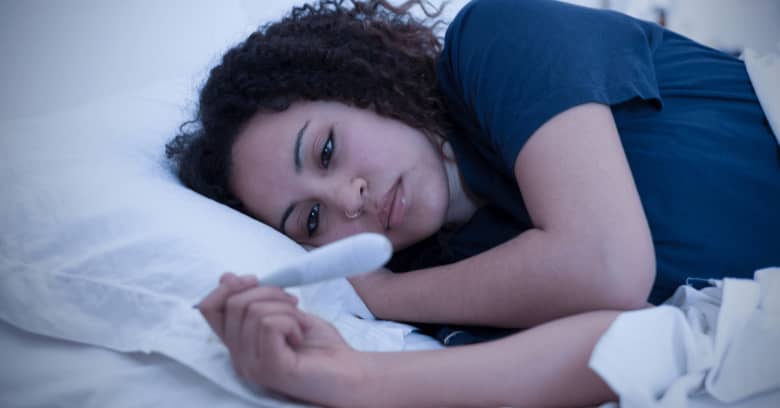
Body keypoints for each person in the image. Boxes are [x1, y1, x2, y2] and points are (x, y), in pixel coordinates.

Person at [166, 0, 780, 404]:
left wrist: (381, 295)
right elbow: (633, 346)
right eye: (312, 219)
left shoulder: (498, 37)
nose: (346, 199)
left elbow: (608, 268)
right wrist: (348, 376)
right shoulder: (452, 291)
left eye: (326, 150)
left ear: (358, 90)